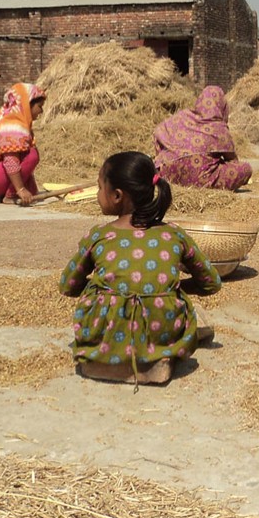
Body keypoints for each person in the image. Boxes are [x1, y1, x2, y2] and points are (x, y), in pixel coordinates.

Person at [59, 151, 222, 386]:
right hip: (161, 327)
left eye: (98, 187)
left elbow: (67, 286)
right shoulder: (173, 234)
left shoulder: (99, 235)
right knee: (182, 311)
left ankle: (106, 359)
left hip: (103, 331)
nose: (97, 194)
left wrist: (107, 289)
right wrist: (166, 289)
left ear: (116, 195)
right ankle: (155, 359)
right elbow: (211, 283)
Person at [154, 86, 252, 191]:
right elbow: (232, 160)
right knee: (245, 169)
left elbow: (158, 131)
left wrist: (161, 154)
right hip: (199, 178)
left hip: (167, 174)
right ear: (222, 105)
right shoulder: (219, 127)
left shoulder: (183, 116)